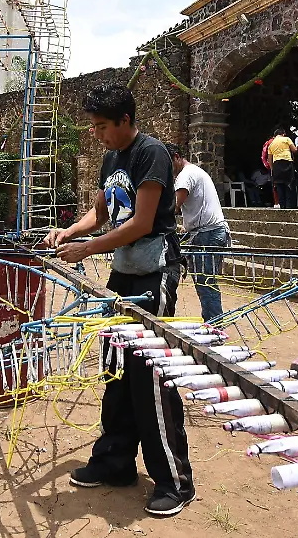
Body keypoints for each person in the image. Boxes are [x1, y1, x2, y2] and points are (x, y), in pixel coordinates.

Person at [43, 84, 194, 517]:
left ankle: (174, 480)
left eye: (102, 126)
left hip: (154, 272)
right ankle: (115, 462)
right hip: (123, 273)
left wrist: (88, 249)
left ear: (125, 120)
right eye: (94, 126)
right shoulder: (111, 159)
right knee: (114, 367)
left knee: (149, 375)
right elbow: (102, 213)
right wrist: (70, 232)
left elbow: (143, 222)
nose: (97, 134)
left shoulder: (152, 154)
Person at [168, 144, 229, 324]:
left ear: (177, 157)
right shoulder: (194, 172)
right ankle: (213, 322)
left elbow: (172, 207)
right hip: (210, 230)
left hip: (208, 233)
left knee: (205, 282)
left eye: (168, 163)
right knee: (206, 281)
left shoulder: (185, 176)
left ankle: (214, 325)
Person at [266, 126, 297, 209]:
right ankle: (289, 205)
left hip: (276, 165)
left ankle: (282, 206)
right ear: (283, 134)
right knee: (289, 184)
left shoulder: (271, 144)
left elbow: (269, 159)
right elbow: (294, 150)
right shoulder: (286, 139)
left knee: (279, 185)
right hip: (287, 162)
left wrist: (272, 169)